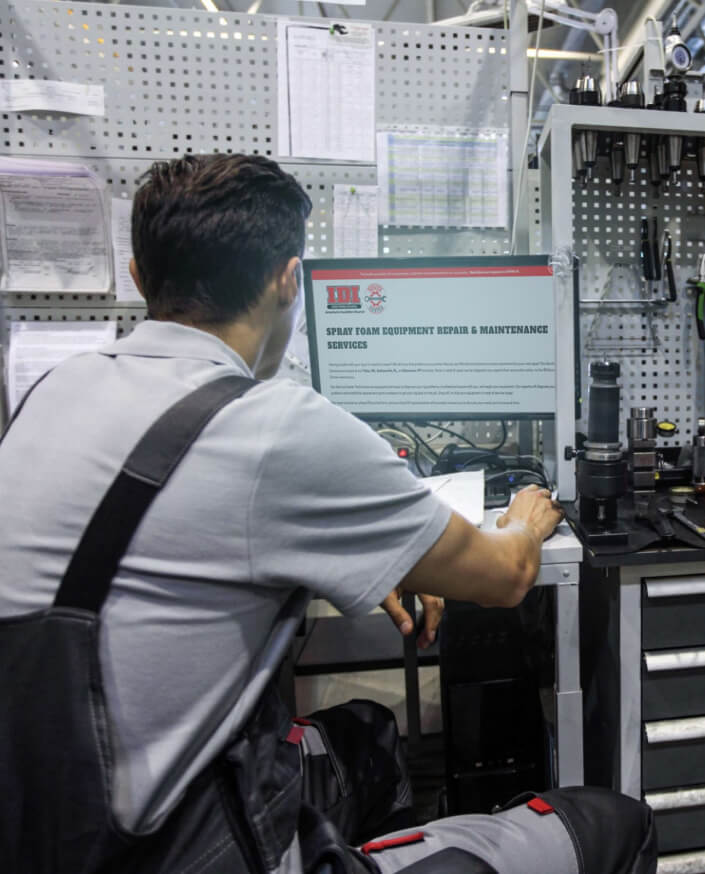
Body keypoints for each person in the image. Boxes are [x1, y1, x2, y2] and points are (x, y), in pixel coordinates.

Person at [0, 154, 655, 874]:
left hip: (62, 832)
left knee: (370, 735)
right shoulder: (271, 426)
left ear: (136, 276)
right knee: (614, 822)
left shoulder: (51, 396)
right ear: (287, 280)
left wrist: (368, 549)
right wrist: (526, 520)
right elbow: (504, 578)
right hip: (193, 850)